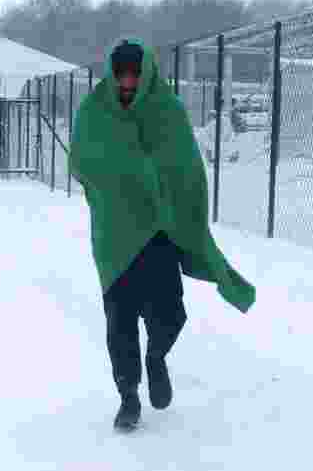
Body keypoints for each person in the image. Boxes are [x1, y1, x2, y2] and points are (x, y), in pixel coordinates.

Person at [69, 38, 257, 433]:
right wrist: (121, 180)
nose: (127, 83)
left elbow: (185, 166)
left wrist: (173, 200)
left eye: (134, 74)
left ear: (146, 73)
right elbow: (82, 161)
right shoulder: (94, 110)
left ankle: (156, 355)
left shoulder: (166, 108)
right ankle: (128, 397)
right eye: (121, 75)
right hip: (115, 235)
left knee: (170, 310)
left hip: (158, 231)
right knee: (119, 321)